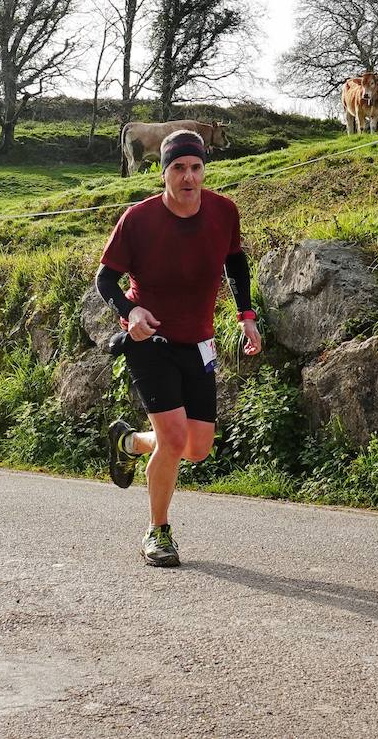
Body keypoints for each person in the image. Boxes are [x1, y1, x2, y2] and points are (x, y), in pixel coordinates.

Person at [96, 129, 263, 568]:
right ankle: (158, 531)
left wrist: (246, 315)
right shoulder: (139, 218)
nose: (188, 177)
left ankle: (131, 442)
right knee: (173, 438)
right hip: (150, 341)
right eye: (178, 168)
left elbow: (236, 263)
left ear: (204, 169)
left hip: (199, 342)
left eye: (195, 168)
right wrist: (130, 312)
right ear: (164, 171)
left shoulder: (224, 212)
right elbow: (105, 279)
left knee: (197, 448)